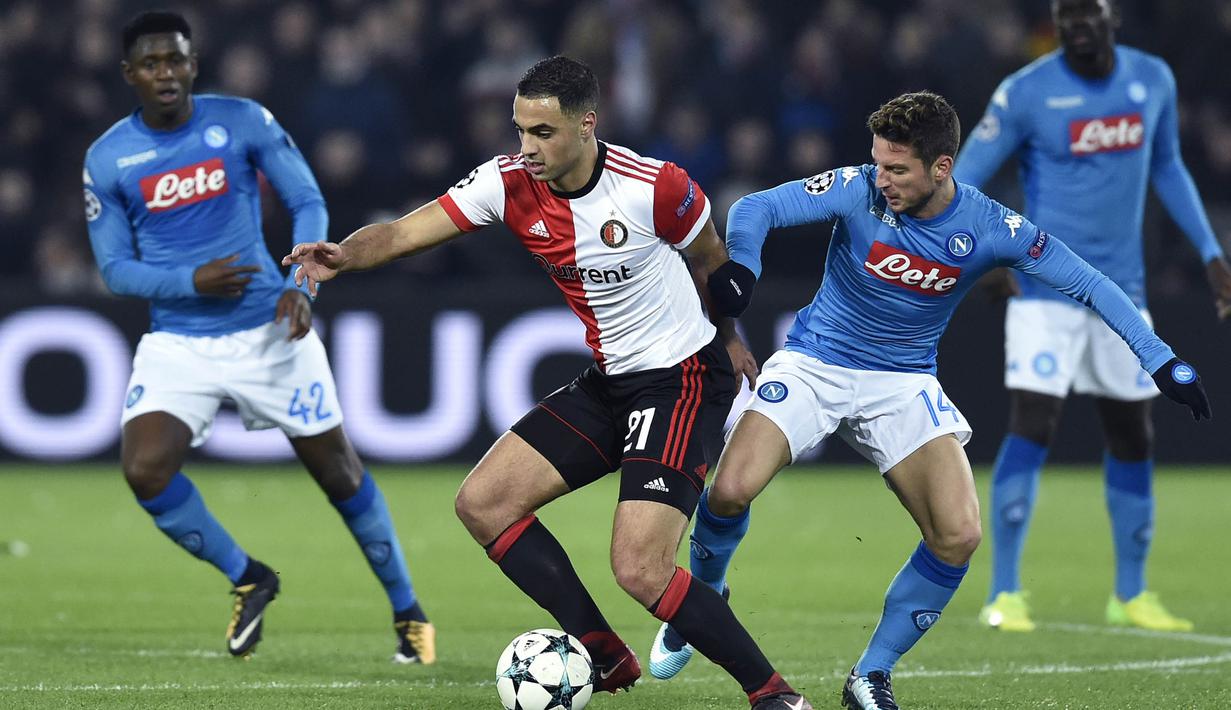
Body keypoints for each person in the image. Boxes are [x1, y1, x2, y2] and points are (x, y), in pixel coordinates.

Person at [646, 90, 1210, 710]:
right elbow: (756, 208)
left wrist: (1161, 360)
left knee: (959, 533)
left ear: (941, 167)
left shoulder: (991, 227)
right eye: (878, 164)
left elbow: (1090, 282)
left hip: (903, 382)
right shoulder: (857, 187)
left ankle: (870, 676)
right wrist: (744, 272)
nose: (880, 179)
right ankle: (704, 599)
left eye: (897, 169)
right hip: (815, 363)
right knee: (727, 491)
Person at [284, 55, 813, 710]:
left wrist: (729, 338)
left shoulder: (653, 188)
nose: (526, 148)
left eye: (542, 132)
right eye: (520, 130)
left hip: (679, 379)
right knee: (483, 503)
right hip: (611, 381)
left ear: (586, 125)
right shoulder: (505, 183)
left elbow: (710, 260)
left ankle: (775, 695)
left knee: (639, 570)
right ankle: (600, 650)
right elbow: (401, 233)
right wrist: (344, 254)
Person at [83, 11, 434, 663]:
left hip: (269, 329)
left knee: (338, 473)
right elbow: (113, 270)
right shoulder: (108, 157)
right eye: (152, 63)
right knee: (145, 470)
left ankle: (408, 612)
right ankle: (250, 576)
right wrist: (193, 279)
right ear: (130, 74)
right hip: (179, 342)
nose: (166, 73)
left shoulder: (243, 120)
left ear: (194, 64)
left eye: (177, 59)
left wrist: (303, 286)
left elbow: (308, 204)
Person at [953, 0, 1231, 633]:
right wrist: (985, 256)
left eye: (1088, 13)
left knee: (1133, 432)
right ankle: (1006, 593)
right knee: (1034, 422)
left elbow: (1168, 166)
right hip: (1045, 288)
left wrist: (1213, 251)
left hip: (1123, 293)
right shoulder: (1025, 92)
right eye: (1065, 14)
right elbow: (966, 177)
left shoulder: (1152, 78)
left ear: (1113, 18)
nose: (1076, 23)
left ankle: (1131, 594)